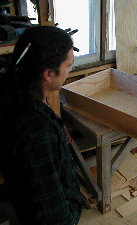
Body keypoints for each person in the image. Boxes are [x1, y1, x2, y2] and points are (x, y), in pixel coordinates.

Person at [0, 26, 83, 225]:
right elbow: (51, 211)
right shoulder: (37, 129)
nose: (70, 71)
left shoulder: (12, 87)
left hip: (22, 200)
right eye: (69, 66)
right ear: (48, 74)